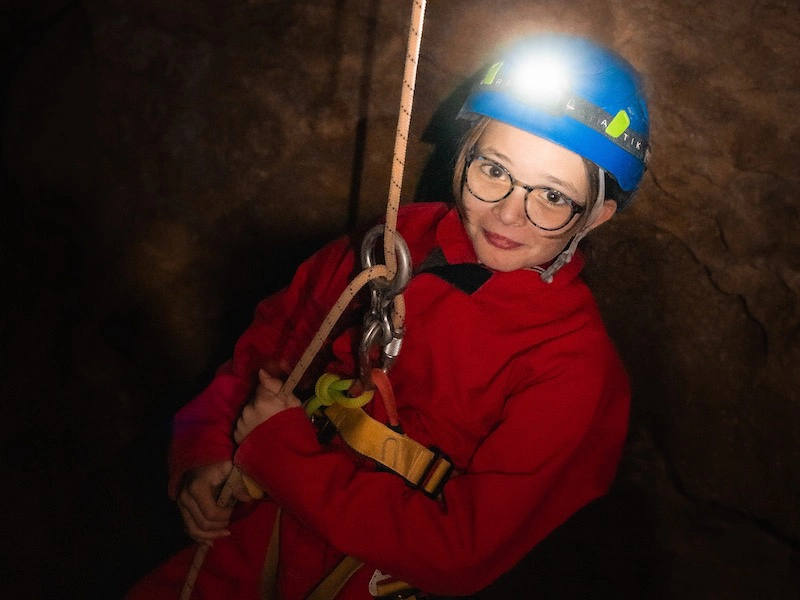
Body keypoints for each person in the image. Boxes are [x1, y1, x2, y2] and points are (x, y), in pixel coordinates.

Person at [126, 32, 650, 600]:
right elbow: (279, 337)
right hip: (255, 530)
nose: (508, 213)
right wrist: (205, 449)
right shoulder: (399, 241)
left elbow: (463, 550)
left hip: (375, 576)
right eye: (493, 171)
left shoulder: (573, 366)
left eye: (552, 197)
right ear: (464, 153)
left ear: (596, 215)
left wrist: (280, 454)